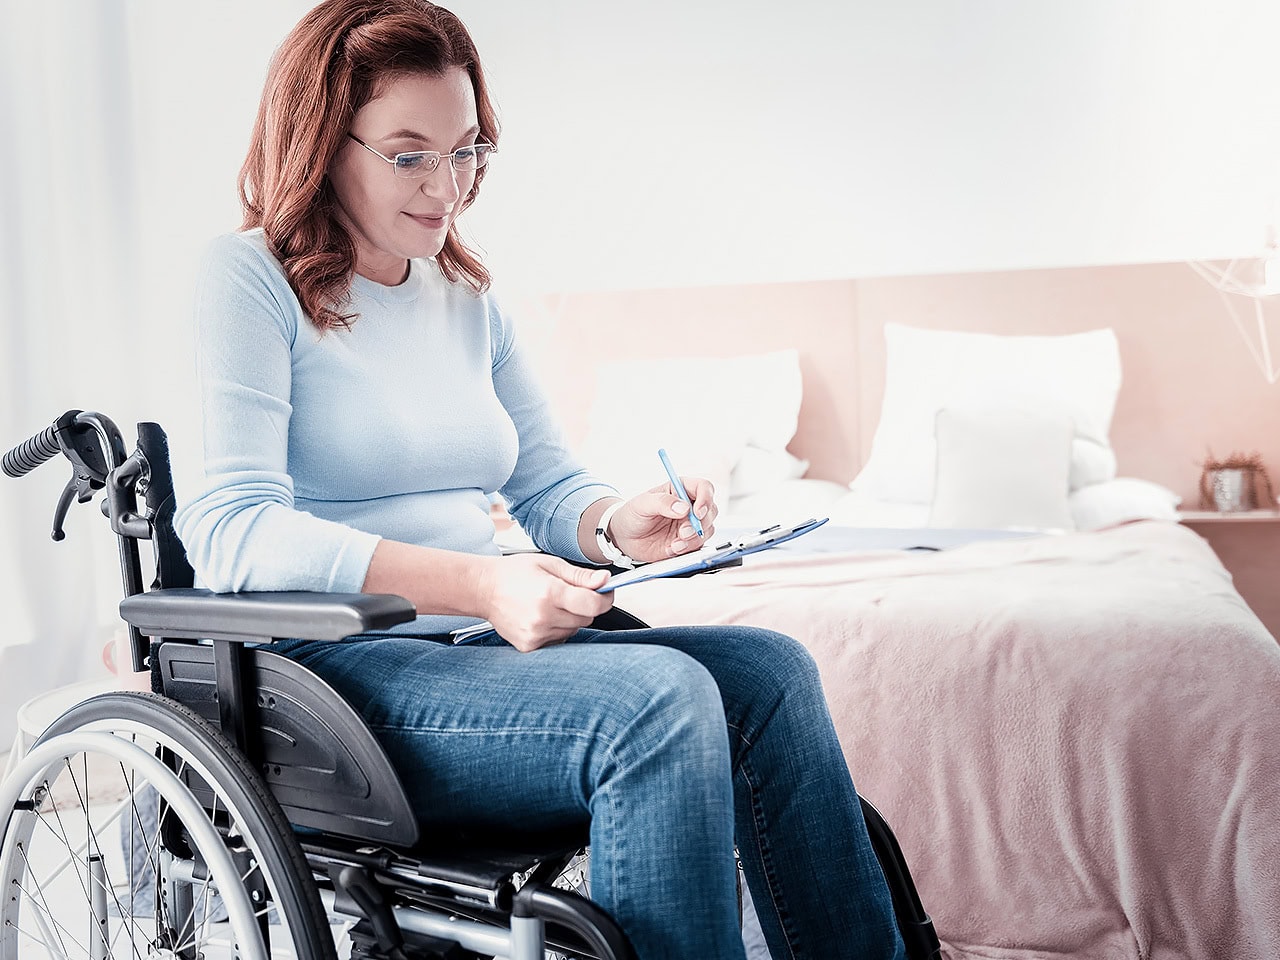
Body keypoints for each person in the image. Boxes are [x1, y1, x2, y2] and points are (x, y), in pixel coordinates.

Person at [174, 1, 905, 956]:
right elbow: (232, 532)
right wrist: (483, 582)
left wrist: (616, 524)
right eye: (410, 155)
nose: (447, 186)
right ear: (321, 142)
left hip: (474, 648)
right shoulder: (248, 281)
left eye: (466, 151)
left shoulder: (468, 302)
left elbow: (549, 487)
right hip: (332, 677)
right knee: (657, 705)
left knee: (771, 674)